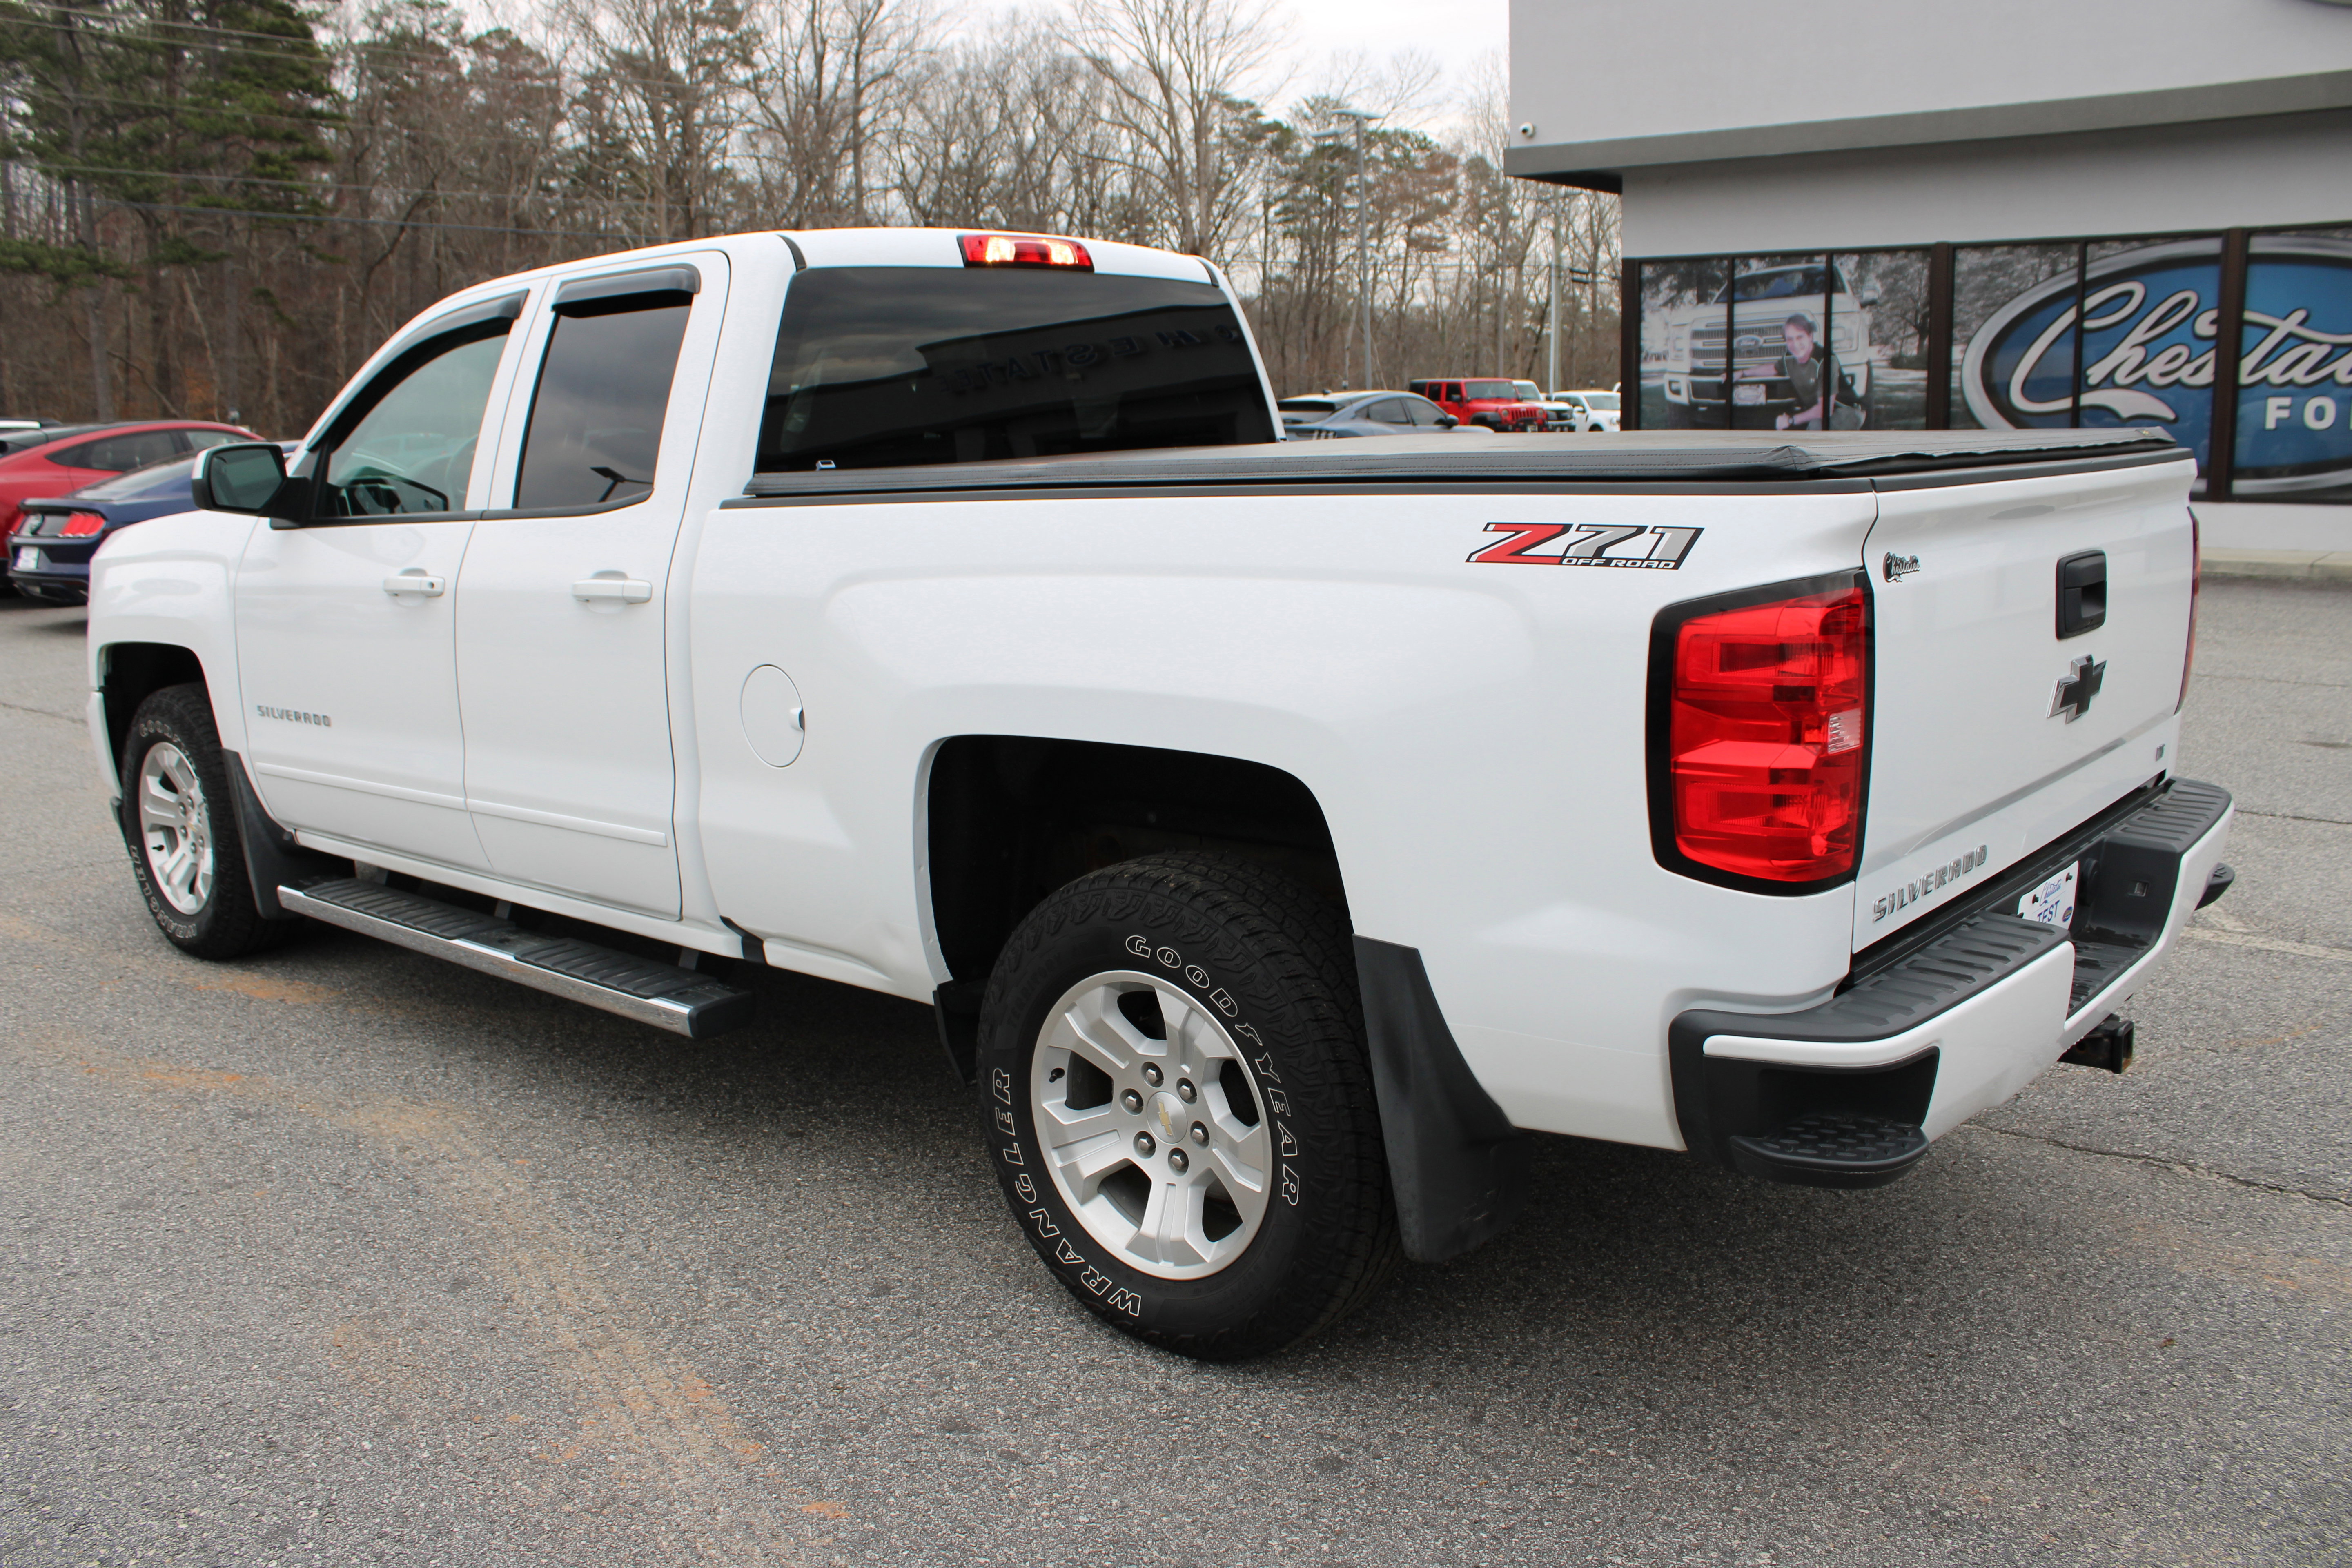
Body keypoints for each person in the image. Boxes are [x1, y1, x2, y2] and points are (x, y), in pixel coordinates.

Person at [1740, 314, 1862, 431]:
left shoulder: (1826, 360)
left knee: (1816, 427)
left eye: (1800, 337)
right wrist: (1743, 373)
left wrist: (1791, 420)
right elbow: (1773, 369)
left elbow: (1825, 409)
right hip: (1817, 411)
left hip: (1846, 411)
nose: (1796, 345)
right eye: (1790, 339)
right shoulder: (1790, 358)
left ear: (1810, 337)